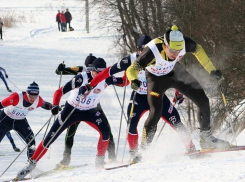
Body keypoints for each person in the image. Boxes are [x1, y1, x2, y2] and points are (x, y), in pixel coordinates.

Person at [77, 35, 195, 163]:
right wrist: (108, 81)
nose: (144, 53)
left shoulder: (161, 56)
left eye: (147, 48)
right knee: (131, 125)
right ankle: (134, 154)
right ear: (137, 49)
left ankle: (191, 148)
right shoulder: (132, 60)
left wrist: (179, 92)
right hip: (139, 97)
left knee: (176, 121)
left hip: (157, 95)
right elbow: (120, 79)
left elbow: (175, 75)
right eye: (141, 50)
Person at [16, 58, 126, 180]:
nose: (99, 75)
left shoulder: (107, 78)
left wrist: (129, 70)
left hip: (91, 111)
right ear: (91, 70)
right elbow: (59, 91)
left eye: (102, 72)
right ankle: (31, 164)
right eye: (96, 72)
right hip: (72, 110)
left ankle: (99, 161)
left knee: (106, 134)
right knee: (50, 138)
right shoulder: (81, 78)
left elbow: (124, 82)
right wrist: (55, 105)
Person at [125, 25, 230, 151]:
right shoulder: (152, 50)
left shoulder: (185, 43)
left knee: (203, 100)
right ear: (165, 46)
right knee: (156, 112)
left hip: (175, 73)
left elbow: (198, 49)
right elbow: (132, 69)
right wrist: (133, 79)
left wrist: (211, 70)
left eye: (179, 51)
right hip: (156, 79)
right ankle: (144, 150)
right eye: (173, 51)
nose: (176, 54)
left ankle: (206, 137)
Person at [55, 54, 117, 170]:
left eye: (91, 67)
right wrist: (60, 68)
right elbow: (60, 72)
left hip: (93, 106)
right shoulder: (80, 70)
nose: (90, 70)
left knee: (106, 130)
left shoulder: (99, 72)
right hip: (77, 106)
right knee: (70, 132)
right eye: (88, 68)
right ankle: (66, 158)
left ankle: (112, 157)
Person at [0, 82, 52, 159]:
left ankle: (31, 164)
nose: (33, 98)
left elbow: (46, 105)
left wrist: (54, 107)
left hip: (20, 122)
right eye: (31, 96)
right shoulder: (16, 97)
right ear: (26, 93)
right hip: (5, 120)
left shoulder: (38, 100)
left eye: (35, 96)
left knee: (31, 142)